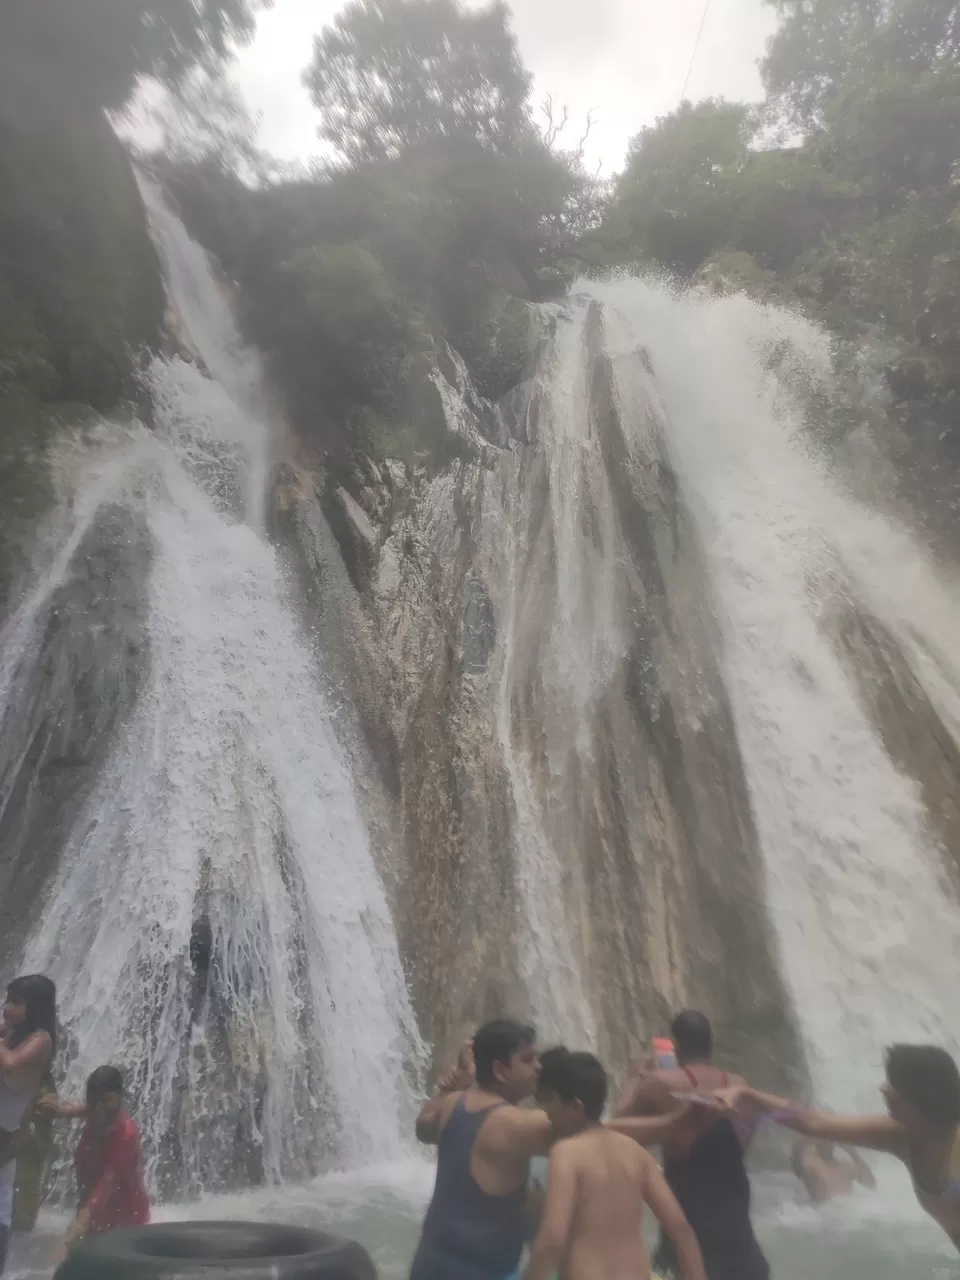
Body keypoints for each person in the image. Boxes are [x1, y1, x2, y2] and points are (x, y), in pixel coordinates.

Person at [714, 1042, 960, 1249]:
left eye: (893, 1083)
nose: (883, 1089)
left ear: (921, 1095)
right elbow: (814, 1122)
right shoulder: (898, 1136)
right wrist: (747, 1095)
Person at [611, 1010, 769, 1280]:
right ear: (710, 1043)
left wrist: (638, 1076)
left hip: (689, 1206)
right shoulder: (738, 1086)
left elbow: (617, 1128)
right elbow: (743, 1143)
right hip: (734, 1207)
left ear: (676, 1046)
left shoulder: (662, 1083)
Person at [524, 1047, 706, 1280]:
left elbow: (553, 1240)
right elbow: (680, 1230)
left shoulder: (566, 1153)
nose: (546, 1112)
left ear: (576, 1107)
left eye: (552, 1102)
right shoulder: (634, 1151)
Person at [410, 1019, 551, 1280]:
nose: (538, 1067)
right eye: (528, 1059)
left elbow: (422, 1126)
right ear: (499, 1070)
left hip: (428, 1266)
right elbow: (594, 1132)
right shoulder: (517, 1123)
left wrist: (457, 1080)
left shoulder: (452, 1104)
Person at [45, 1066, 150, 1250]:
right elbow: (81, 1109)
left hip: (127, 1229)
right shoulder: (96, 1112)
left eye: (106, 1101)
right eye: (93, 1101)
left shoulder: (126, 1135)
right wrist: (59, 1110)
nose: (98, 1110)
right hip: (96, 1220)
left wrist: (75, 1230)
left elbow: (104, 1187)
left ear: (120, 1098)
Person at [0, 976, 56, 1275]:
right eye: (7, 999)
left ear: (35, 1007)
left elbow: (10, 1063)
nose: (7, 1006)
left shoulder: (40, 1039)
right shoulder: (12, 1034)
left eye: (16, 1002)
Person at [791, 1137, 875, 1205]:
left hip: (847, 1214)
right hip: (823, 1214)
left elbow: (871, 1184)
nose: (827, 1139)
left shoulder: (846, 1166)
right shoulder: (812, 1164)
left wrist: (852, 1152)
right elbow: (798, 1160)